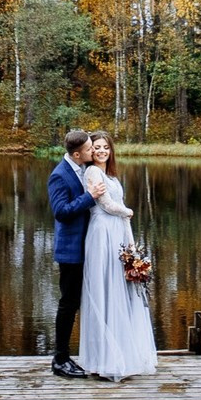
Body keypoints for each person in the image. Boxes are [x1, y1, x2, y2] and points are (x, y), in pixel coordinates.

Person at [77, 133, 159, 381]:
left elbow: (118, 210)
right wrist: (129, 211)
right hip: (102, 233)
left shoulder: (110, 175)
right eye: (97, 147)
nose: (101, 151)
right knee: (106, 289)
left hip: (118, 234)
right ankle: (103, 358)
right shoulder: (92, 173)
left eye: (105, 147)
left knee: (121, 290)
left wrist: (131, 246)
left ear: (111, 151)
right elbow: (106, 205)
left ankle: (122, 354)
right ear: (91, 151)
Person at [48, 127, 107, 378]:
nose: (92, 151)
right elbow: (61, 211)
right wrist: (90, 196)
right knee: (68, 303)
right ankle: (60, 360)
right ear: (75, 154)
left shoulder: (80, 168)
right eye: (87, 149)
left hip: (86, 247)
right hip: (70, 250)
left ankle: (79, 355)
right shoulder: (59, 175)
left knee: (78, 302)